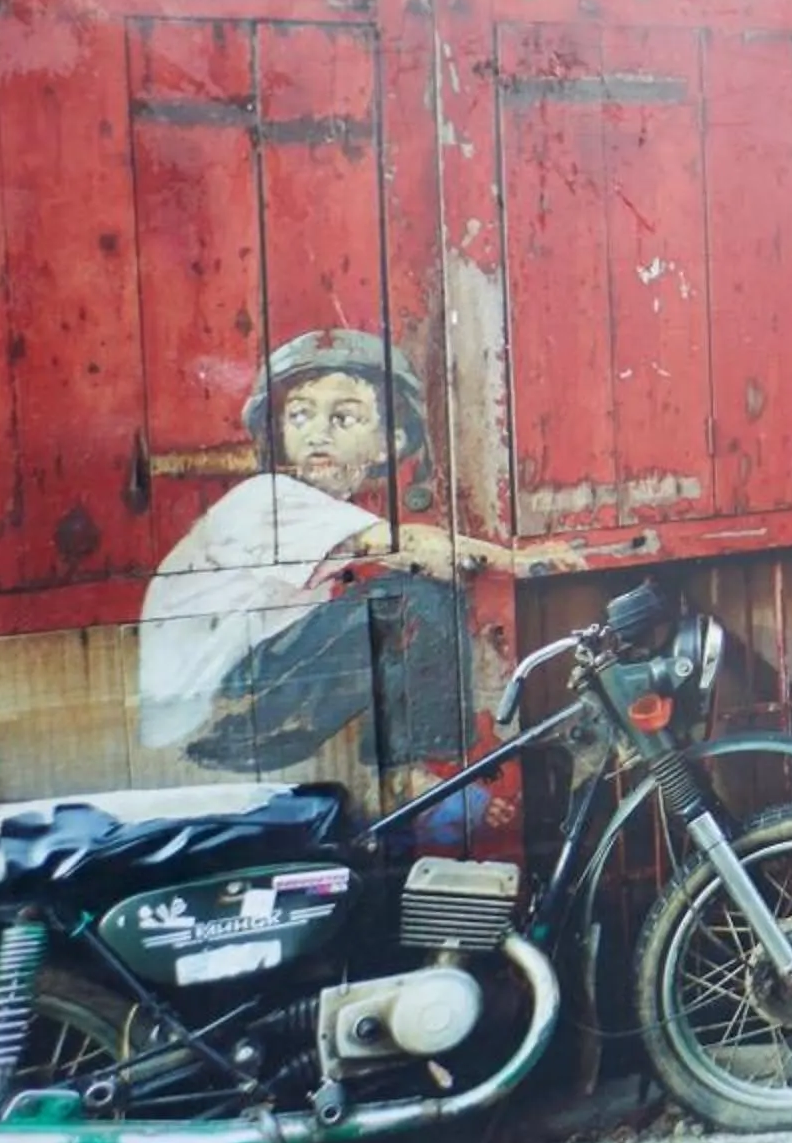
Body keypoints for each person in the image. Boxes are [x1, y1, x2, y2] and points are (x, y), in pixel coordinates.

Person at [135, 329, 581, 831]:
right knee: (415, 598)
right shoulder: (270, 498)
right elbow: (408, 550)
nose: (317, 433)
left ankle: (397, 781)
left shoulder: (307, 518)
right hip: (220, 709)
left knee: (378, 626)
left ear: (389, 443)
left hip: (221, 712)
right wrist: (521, 560)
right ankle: (405, 779)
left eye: (343, 417)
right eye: (299, 414)